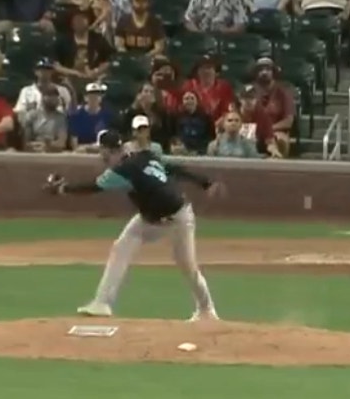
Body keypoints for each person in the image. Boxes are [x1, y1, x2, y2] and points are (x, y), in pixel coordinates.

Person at [43, 129, 225, 321]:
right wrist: (204, 182)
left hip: (178, 217)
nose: (101, 155)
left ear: (108, 150)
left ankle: (206, 310)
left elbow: (92, 187)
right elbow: (175, 168)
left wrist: (63, 189)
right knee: (121, 246)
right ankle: (102, 302)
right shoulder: (145, 156)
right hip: (149, 219)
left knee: (187, 266)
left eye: (102, 151)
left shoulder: (122, 171)